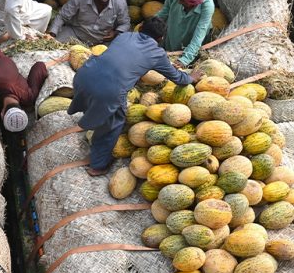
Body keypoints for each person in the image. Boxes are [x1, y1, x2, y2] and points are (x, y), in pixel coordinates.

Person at [70, 17, 198, 174]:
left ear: (140, 27)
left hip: (84, 74)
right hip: (108, 91)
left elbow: (119, 60)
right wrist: (193, 77)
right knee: (114, 122)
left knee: (96, 99)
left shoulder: (124, 36)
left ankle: (93, 120)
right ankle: (97, 165)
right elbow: (179, 78)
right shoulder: (157, 53)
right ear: (160, 38)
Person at [50, 0, 131, 45]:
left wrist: (115, 33)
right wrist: (52, 34)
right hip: (75, 33)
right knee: (52, 46)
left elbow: (125, 24)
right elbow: (62, 16)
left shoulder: (120, 3)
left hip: (102, 40)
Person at [156, 0, 214, 67]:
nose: (179, 2)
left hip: (191, 44)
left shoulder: (207, 5)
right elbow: (164, 13)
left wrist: (185, 59)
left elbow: (199, 34)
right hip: (173, 35)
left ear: (193, 4)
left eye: (183, 2)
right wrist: (148, 26)